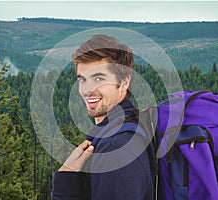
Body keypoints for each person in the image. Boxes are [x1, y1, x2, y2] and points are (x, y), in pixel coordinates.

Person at [52, 34, 155, 200]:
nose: (87, 90)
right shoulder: (125, 128)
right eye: (82, 80)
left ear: (124, 82)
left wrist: (65, 182)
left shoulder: (118, 146)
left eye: (98, 78)